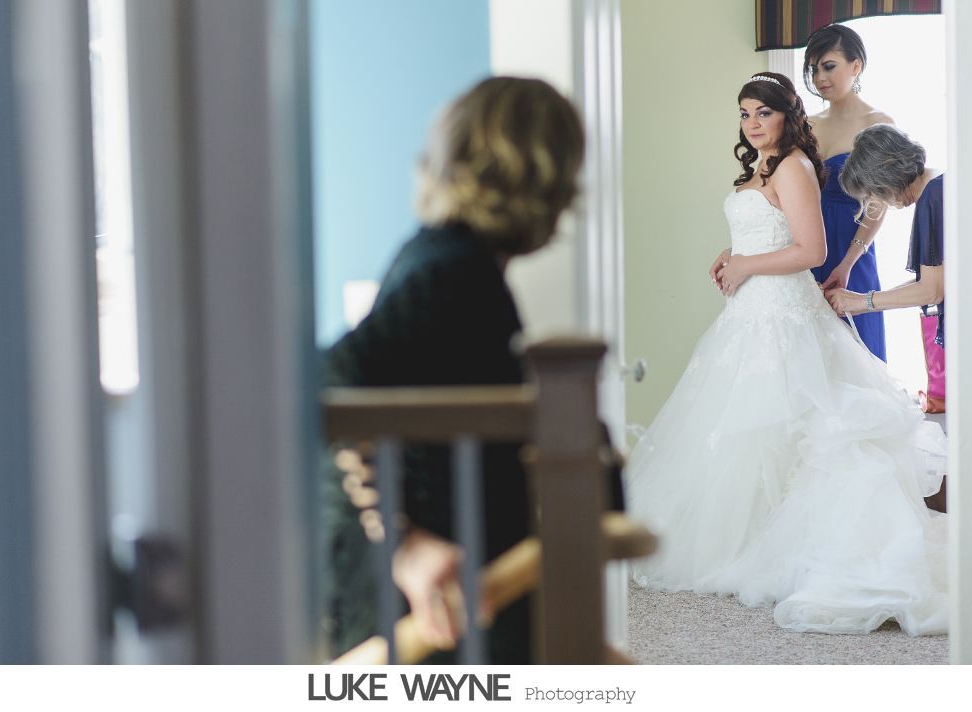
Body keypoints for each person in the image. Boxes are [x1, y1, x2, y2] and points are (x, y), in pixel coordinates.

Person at [626, 72, 947, 636]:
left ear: (787, 115)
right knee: (741, 430)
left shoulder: (795, 164)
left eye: (763, 113)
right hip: (749, 315)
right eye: (745, 114)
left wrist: (748, 264)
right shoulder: (759, 170)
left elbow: (812, 249)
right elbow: (772, 232)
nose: (752, 124)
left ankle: (796, 547)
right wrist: (738, 251)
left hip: (784, 317)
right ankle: (750, 535)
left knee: (796, 427)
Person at [322, 76, 622, 662]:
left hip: (463, 584)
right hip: (431, 604)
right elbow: (331, 377)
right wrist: (405, 544)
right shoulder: (451, 270)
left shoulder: (454, 260)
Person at [804, 24, 892, 360]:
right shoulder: (807, 125)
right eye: (813, 69)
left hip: (852, 248)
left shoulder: (877, 123)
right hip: (806, 246)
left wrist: (848, 262)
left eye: (828, 66)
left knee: (858, 355)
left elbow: (880, 201)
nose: (819, 77)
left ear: (856, 66)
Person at [827, 124, 945, 345]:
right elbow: (937, 281)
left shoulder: (933, 196)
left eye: (872, 192)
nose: (876, 201)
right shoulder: (938, 184)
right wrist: (860, 300)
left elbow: (931, 291)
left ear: (885, 174)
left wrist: (862, 303)